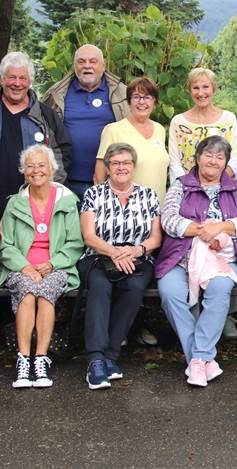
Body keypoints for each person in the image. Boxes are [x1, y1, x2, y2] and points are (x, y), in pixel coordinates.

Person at [154, 136, 237, 387]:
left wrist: (220, 226)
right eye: (208, 155)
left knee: (220, 289)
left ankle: (197, 359)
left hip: (222, 257)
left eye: (220, 157)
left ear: (226, 163)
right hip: (182, 256)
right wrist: (201, 231)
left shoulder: (236, 188)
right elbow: (168, 219)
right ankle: (202, 359)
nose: (213, 161)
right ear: (197, 158)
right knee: (170, 291)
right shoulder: (180, 186)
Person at [0, 144, 83, 389]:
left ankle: (41, 359)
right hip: (21, 267)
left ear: (52, 169)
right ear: (24, 172)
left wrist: (52, 264)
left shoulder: (66, 201)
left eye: (41, 165)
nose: (36, 171)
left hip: (57, 266)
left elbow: (75, 243)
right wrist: (25, 267)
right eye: (30, 166)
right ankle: (23, 360)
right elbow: (5, 245)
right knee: (27, 289)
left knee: (45, 292)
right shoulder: (15, 203)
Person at [79, 143, 162, 390]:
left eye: (126, 162)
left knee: (134, 287)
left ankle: (111, 355)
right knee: (99, 286)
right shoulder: (94, 194)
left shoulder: (148, 195)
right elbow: (89, 236)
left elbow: (156, 238)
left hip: (138, 257)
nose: (121, 167)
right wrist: (114, 252)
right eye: (115, 163)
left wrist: (136, 250)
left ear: (134, 167)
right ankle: (95, 359)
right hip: (99, 255)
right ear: (107, 168)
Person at [0, 51, 71, 219]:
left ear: (30, 81)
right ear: (1, 79)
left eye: (22, 78)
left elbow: (62, 154)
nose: (17, 83)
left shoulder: (46, 115)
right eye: (12, 77)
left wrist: (49, 191)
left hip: (32, 210)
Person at [42, 44, 130, 201]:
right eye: (81, 61)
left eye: (93, 61)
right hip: (65, 182)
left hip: (109, 182)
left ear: (103, 66)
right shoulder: (57, 94)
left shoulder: (122, 93)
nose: (87, 66)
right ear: (74, 66)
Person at [94, 76, 169, 203]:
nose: (141, 102)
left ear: (155, 102)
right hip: (126, 209)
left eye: (147, 97)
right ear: (129, 102)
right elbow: (100, 173)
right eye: (136, 97)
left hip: (157, 206)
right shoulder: (113, 130)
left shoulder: (160, 129)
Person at [168, 67, 237, 183]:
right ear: (190, 91)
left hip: (222, 189)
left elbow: (235, 159)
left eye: (206, 87)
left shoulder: (228, 119)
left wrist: (214, 184)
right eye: (195, 88)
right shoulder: (178, 122)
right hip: (188, 191)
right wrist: (191, 187)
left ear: (213, 89)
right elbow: (174, 163)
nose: (201, 93)